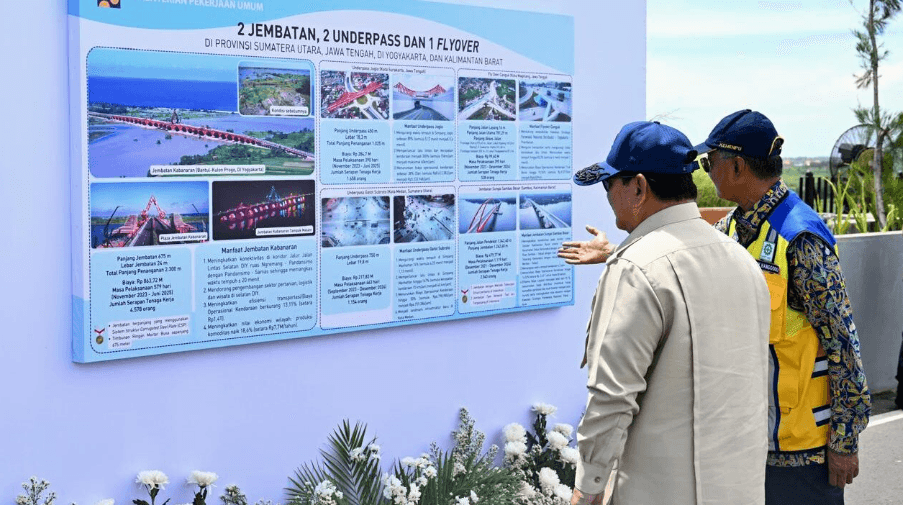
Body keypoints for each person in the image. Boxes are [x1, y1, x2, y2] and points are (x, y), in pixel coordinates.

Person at [562, 110, 872, 505]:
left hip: (801, 451)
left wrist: (844, 441)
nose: (706, 173)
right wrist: (617, 253)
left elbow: (843, 343)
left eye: (710, 163)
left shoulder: (800, 238)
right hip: (748, 451)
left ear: (738, 166)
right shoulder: (731, 233)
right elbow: (681, 263)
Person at [568, 121, 771, 505]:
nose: (608, 196)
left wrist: (588, 488)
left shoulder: (636, 267)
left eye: (609, 184)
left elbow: (612, 397)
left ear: (638, 187)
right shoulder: (741, 259)